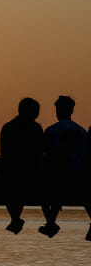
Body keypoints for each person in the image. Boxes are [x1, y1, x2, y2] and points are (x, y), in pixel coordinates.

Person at [40, 95, 86, 237]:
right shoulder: (82, 131)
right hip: (78, 172)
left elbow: (46, 153)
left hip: (59, 173)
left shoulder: (51, 130)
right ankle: (51, 222)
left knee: (46, 186)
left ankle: (50, 221)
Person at [0, 97, 44, 234]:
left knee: (11, 188)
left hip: (13, 170)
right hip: (30, 170)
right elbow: (39, 152)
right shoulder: (36, 129)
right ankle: (16, 219)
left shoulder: (8, 127)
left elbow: (4, 153)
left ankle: (15, 218)